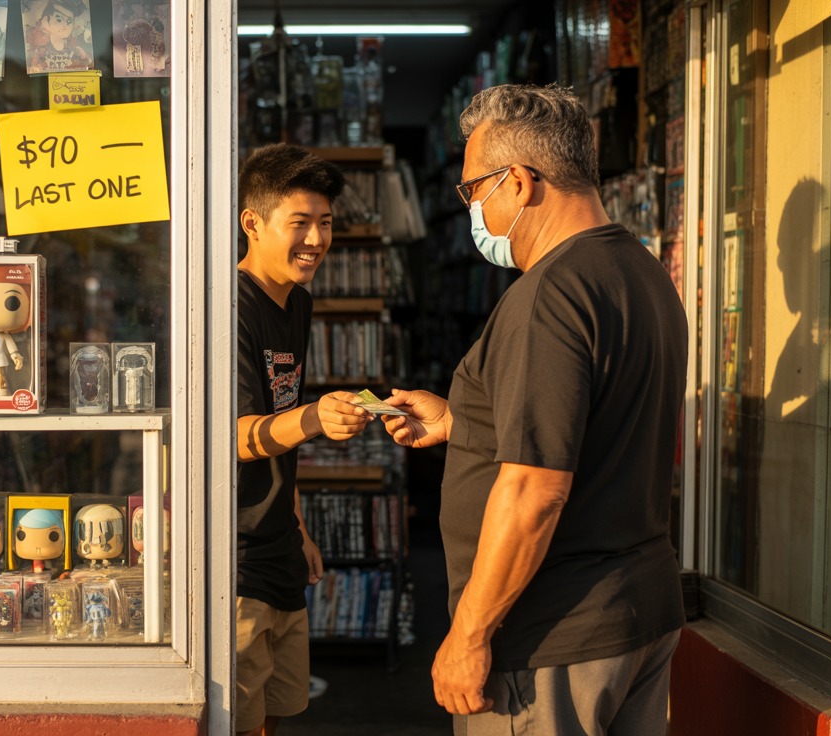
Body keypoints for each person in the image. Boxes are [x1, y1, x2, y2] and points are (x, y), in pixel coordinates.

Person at [380, 84, 688, 735]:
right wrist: (469, 421)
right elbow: (596, 420)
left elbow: (534, 488)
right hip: (637, 613)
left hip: (554, 639)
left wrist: (468, 635)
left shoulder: (550, 294)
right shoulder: (640, 270)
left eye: (472, 191)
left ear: (517, 182)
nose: (471, 210)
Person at [235, 143, 372, 736]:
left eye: (325, 224)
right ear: (253, 223)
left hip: (279, 548)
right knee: (236, 721)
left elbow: (281, 414)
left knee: (279, 712)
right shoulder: (227, 308)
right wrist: (316, 417)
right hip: (232, 559)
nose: (316, 239)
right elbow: (235, 438)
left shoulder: (298, 301)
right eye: (300, 223)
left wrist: (298, 526)